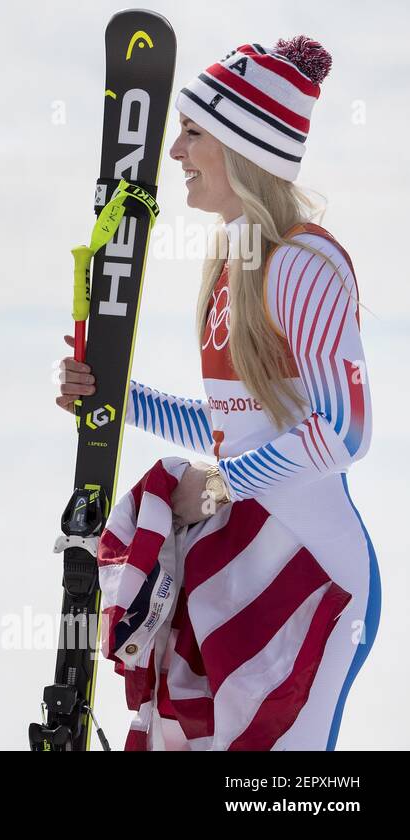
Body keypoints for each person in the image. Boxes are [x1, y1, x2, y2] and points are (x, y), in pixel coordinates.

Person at [55, 36, 378, 749]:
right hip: (247, 557)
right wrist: (115, 396)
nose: (174, 154)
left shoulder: (303, 261)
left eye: (192, 133)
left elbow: (346, 431)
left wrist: (228, 484)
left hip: (313, 574)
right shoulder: (233, 261)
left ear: (244, 145)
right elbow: (239, 426)